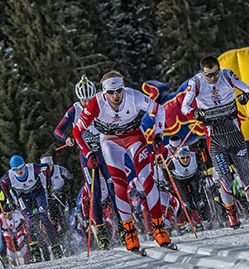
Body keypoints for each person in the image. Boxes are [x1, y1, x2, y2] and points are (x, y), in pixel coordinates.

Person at [72, 70, 174, 252]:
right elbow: (77, 131)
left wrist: (158, 136)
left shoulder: (134, 96)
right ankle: (129, 233)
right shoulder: (96, 103)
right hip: (110, 142)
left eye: (118, 90)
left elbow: (160, 111)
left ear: (123, 88)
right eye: (110, 92)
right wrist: (88, 153)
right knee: (120, 184)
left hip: (134, 137)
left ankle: (160, 229)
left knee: (147, 178)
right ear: (104, 92)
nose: (115, 95)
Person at [180, 56, 249, 228]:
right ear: (202, 72)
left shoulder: (227, 75)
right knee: (225, 178)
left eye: (215, 73)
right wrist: (195, 113)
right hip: (215, 139)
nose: (213, 78)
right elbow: (184, 107)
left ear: (219, 69)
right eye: (209, 75)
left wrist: (244, 98)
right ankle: (231, 213)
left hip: (234, 134)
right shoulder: (195, 82)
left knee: (246, 175)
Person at [54, 74, 116, 249]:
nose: (87, 102)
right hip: (88, 155)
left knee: (114, 188)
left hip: (105, 152)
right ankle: (101, 231)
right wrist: (66, 138)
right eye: (84, 100)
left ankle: (125, 226)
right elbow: (57, 130)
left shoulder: (101, 103)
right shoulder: (74, 110)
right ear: (78, 98)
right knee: (95, 192)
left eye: (90, 99)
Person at [0, 155, 62, 261]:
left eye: (20, 167)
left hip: (38, 192)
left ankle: (55, 246)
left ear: (24, 164)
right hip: (22, 196)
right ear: (12, 169)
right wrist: (9, 199)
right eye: (15, 169)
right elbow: (2, 183)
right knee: (28, 219)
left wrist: (48, 184)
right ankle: (34, 249)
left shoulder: (33, 168)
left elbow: (46, 168)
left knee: (44, 216)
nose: (19, 170)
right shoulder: (8, 176)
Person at [167, 148, 208, 230]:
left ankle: (205, 220)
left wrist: (201, 171)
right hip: (179, 179)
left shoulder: (195, 156)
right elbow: (165, 169)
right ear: (178, 158)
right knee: (185, 202)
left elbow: (201, 162)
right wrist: (168, 181)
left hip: (193, 176)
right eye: (182, 158)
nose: (185, 160)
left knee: (198, 199)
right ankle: (188, 223)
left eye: (187, 157)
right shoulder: (172, 162)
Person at [40, 154, 73, 232]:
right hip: (49, 198)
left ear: (52, 163)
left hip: (61, 195)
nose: (47, 168)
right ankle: (57, 239)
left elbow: (71, 180)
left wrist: (72, 196)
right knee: (52, 220)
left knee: (64, 217)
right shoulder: (39, 174)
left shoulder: (60, 170)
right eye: (45, 166)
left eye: (49, 165)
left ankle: (68, 235)